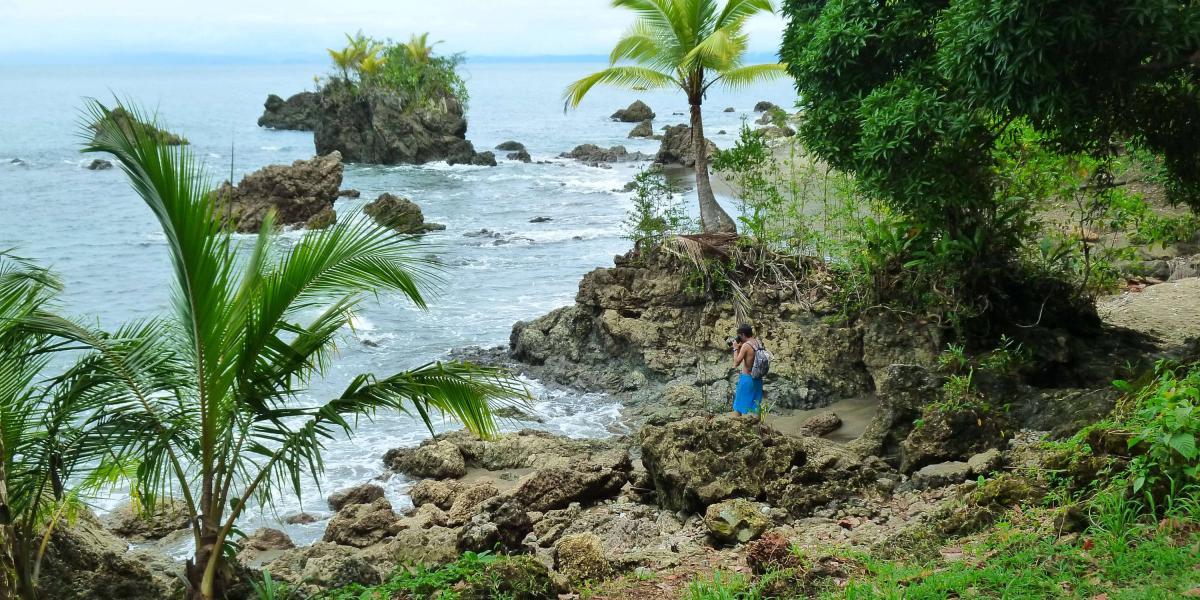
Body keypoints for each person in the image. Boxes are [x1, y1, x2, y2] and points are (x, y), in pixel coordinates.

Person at [731, 324, 764, 415]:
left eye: (739, 336)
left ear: (743, 335)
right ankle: (758, 426)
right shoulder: (758, 342)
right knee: (756, 405)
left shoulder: (746, 345)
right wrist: (740, 348)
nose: (739, 338)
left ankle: (736, 426)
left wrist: (735, 349)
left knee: (739, 405)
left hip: (747, 379)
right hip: (758, 378)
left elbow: (736, 363)